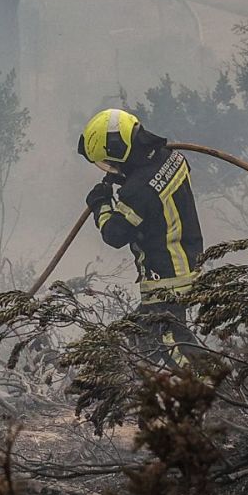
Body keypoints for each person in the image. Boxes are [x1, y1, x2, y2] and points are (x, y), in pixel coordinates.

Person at [77, 107, 202, 368]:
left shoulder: (137, 192)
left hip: (166, 275)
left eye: (109, 161)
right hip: (187, 260)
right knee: (134, 340)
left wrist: (101, 204)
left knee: (171, 343)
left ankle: (221, 394)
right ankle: (133, 392)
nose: (109, 168)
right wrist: (123, 175)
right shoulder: (171, 157)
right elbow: (155, 189)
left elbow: (115, 234)